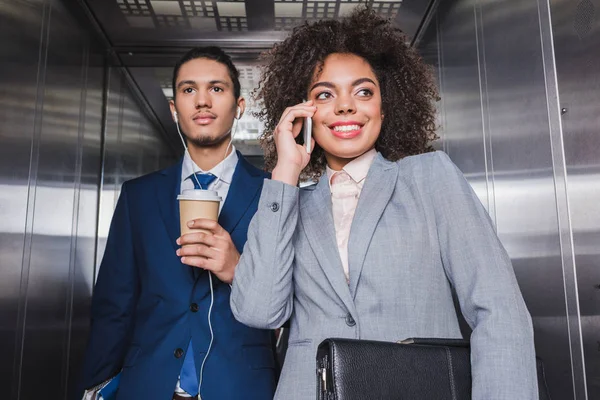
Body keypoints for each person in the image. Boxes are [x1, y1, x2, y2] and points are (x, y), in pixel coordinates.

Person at [230, 8, 538, 400]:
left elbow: (500, 313)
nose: (345, 106)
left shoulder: (430, 177)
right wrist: (285, 172)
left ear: (384, 106)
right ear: (302, 113)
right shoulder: (287, 203)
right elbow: (258, 310)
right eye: (325, 94)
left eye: (363, 91)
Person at [78, 46, 277, 400]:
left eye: (216, 89)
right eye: (188, 90)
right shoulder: (138, 196)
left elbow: (289, 303)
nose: (202, 101)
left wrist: (239, 267)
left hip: (242, 387)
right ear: (174, 110)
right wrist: (95, 387)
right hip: (147, 385)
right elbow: (114, 305)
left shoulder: (274, 194)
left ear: (239, 106)